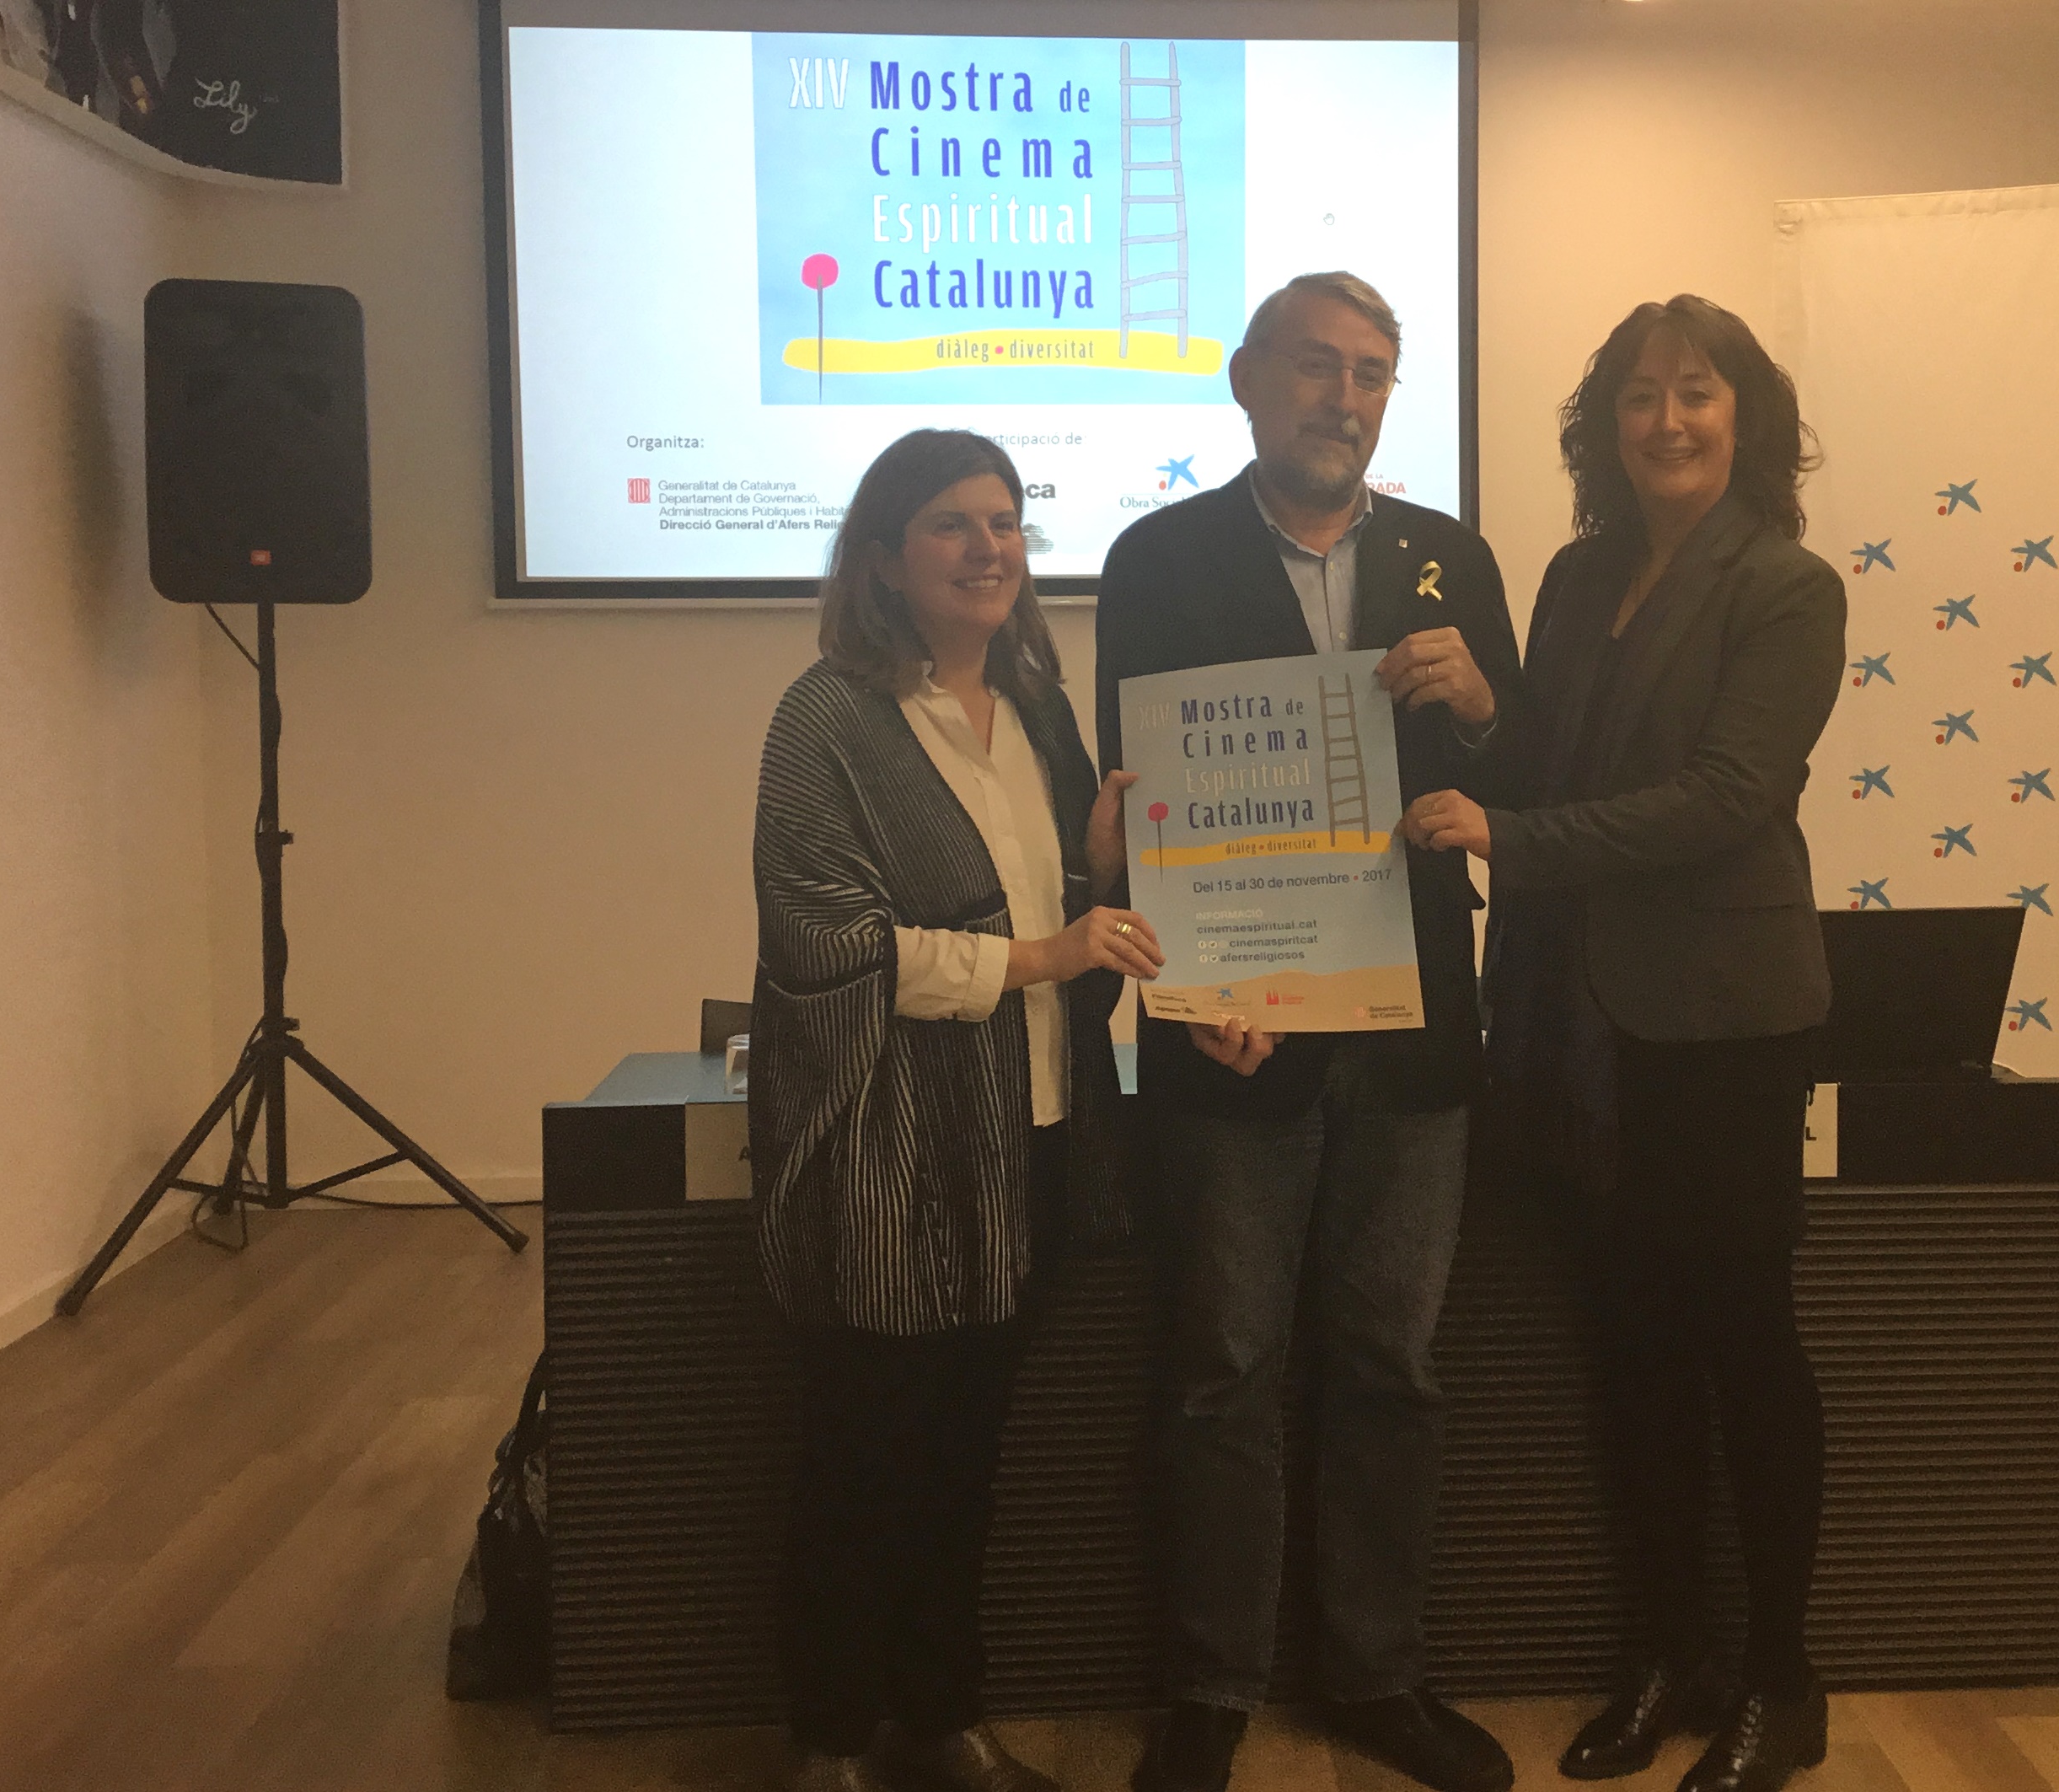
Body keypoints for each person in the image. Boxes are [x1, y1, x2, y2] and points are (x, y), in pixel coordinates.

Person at [1403, 295, 1844, 1792]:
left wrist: (1509, 836)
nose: (1667, 419)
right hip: (1576, 1021)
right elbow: (1552, 766)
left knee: (1744, 1344)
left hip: (1718, 1026)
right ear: (1606, 424)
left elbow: (1727, 796)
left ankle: (1782, 1680)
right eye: (1641, 395)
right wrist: (1485, 714)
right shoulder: (1581, 573)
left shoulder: (1786, 587)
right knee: (1634, 1352)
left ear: (1746, 416)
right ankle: (1667, 1653)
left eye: (1697, 391)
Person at [1095, 272, 1524, 1792]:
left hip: (1415, 1036)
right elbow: (1144, 794)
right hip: (1239, 1037)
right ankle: (1211, 1685)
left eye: (1372, 373)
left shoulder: (1450, 558)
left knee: (1392, 1364)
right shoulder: (1158, 558)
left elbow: (1520, 781)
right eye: (1316, 366)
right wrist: (1197, 984)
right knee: (1222, 1368)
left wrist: (1483, 705)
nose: (1345, 397)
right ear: (1246, 378)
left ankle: (1377, 1672)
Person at [748, 429, 1165, 1792]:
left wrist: (1100, 873)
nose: (989, 547)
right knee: (862, 1461)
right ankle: (829, 1741)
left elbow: (1071, 912)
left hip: (1031, 1137)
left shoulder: (1038, 706)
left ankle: (941, 1717)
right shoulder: (825, 719)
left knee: (968, 1457)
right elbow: (827, 947)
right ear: (882, 558)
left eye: (1005, 520)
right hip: (888, 1157)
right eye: (950, 524)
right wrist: (1041, 953)